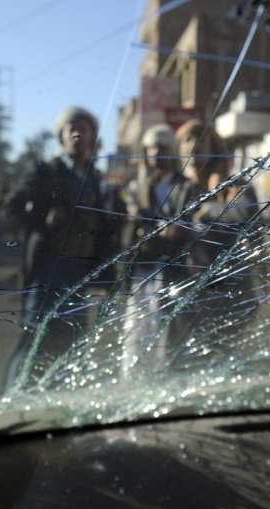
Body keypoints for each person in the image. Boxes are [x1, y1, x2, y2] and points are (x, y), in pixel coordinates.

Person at [2, 106, 122, 391]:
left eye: (84, 128)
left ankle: (56, 398)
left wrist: (107, 276)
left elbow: (105, 228)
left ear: (93, 136)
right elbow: (12, 209)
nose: (78, 134)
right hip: (48, 269)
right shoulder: (46, 171)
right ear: (62, 136)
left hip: (79, 272)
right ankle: (13, 397)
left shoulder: (95, 179)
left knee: (71, 339)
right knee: (34, 337)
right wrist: (43, 218)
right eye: (71, 129)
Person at [168, 119, 262, 367]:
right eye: (187, 140)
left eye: (200, 139)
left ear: (213, 146)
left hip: (228, 292)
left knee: (217, 361)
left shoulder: (233, 185)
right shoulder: (182, 190)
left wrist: (210, 210)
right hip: (190, 293)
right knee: (183, 362)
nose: (193, 146)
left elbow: (249, 216)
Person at [123, 123, 195, 371]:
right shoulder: (140, 186)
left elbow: (186, 224)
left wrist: (171, 230)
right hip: (143, 266)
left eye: (161, 147)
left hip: (168, 267)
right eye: (151, 148)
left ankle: (163, 374)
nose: (155, 153)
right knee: (138, 324)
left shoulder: (183, 186)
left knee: (165, 327)